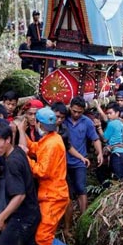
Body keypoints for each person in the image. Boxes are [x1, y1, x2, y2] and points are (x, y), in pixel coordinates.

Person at [17, 108, 82, 245]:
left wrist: (26, 159)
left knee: (42, 237)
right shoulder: (50, 138)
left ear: (39, 124)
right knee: (43, 235)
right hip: (50, 194)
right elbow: (35, 148)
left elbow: (41, 171)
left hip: (53, 196)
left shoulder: (53, 143)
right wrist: (23, 134)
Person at [63, 97, 103, 227]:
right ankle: (65, 222)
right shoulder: (63, 119)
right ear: (70, 108)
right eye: (74, 111)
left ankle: (83, 218)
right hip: (63, 161)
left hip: (80, 161)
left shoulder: (87, 122)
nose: (76, 114)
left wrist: (100, 153)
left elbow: (95, 138)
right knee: (66, 192)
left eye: (79, 112)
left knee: (81, 188)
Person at [52, 101, 90, 235]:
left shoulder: (63, 131)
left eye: (61, 118)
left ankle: (67, 228)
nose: (59, 120)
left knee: (68, 197)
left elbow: (68, 147)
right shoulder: (42, 129)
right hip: (48, 170)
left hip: (62, 167)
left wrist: (81, 157)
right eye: (56, 117)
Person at [93, 102, 123, 184]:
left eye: (110, 113)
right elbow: (105, 118)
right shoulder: (120, 123)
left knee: (119, 179)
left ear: (117, 113)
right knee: (120, 177)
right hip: (122, 152)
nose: (108, 115)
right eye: (107, 113)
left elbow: (105, 139)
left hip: (116, 154)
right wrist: (98, 107)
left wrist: (99, 127)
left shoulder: (112, 124)